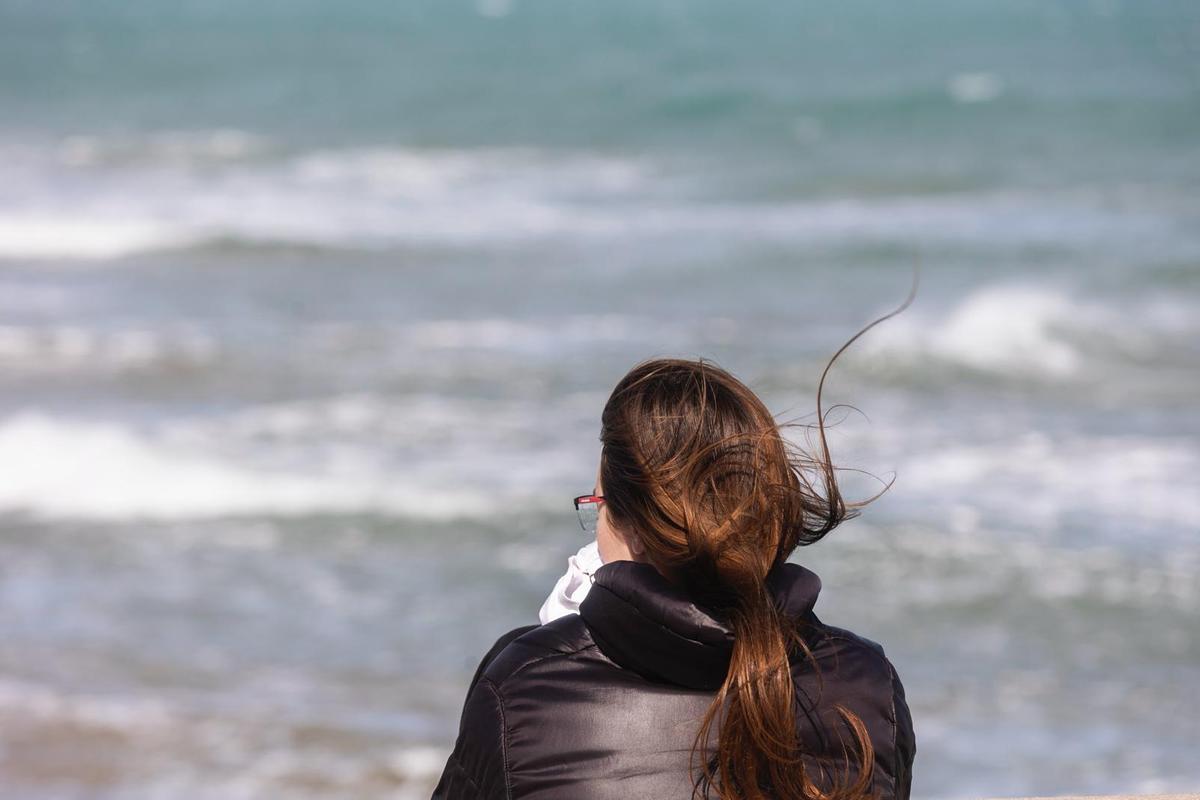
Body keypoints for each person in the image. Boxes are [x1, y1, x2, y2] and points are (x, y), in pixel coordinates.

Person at [432, 356, 916, 800]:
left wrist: (554, 649)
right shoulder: (866, 680)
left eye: (597, 507)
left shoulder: (523, 686)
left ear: (638, 529)